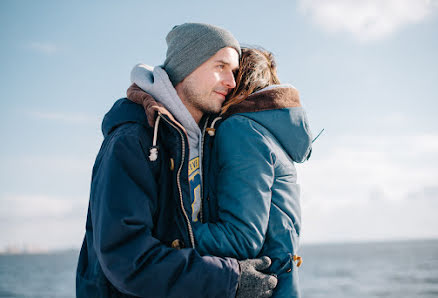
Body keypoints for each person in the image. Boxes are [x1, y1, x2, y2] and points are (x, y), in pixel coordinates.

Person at [76, 23, 278, 298]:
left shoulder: (208, 139)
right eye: (220, 66)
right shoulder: (132, 141)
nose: (231, 82)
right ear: (187, 66)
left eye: (233, 72)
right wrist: (229, 280)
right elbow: (127, 258)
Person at [192, 48, 312, 297]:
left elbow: (241, 238)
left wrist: (172, 230)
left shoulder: (241, 130)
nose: (224, 80)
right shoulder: (269, 133)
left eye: (229, 71)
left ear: (240, 80)